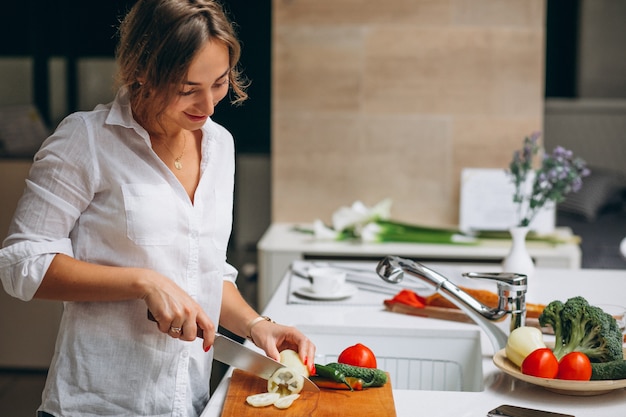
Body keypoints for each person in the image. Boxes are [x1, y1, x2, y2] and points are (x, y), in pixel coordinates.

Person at [0, 1, 315, 416]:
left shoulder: (220, 145)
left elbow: (204, 269)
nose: (209, 106)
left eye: (219, 83)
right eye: (188, 89)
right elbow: (20, 264)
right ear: (142, 70)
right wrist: (143, 282)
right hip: (97, 405)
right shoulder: (86, 140)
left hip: (188, 402)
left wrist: (257, 326)